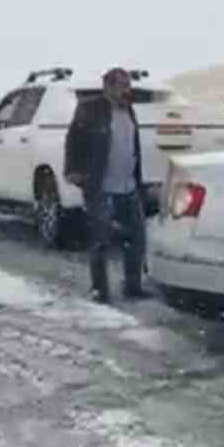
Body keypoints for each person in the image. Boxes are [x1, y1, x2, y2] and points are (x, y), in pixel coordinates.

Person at [65, 67, 147, 303]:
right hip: (101, 184)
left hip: (128, 184)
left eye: (127, 85)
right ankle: (99, 290)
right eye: (121, 85)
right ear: (108, 86)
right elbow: (73, 139)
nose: (126, 90)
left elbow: (132, 145)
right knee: (101, 239)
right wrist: (73, 170)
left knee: (136, 237)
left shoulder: (128, 110)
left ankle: (132, 285)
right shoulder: (90, 109)